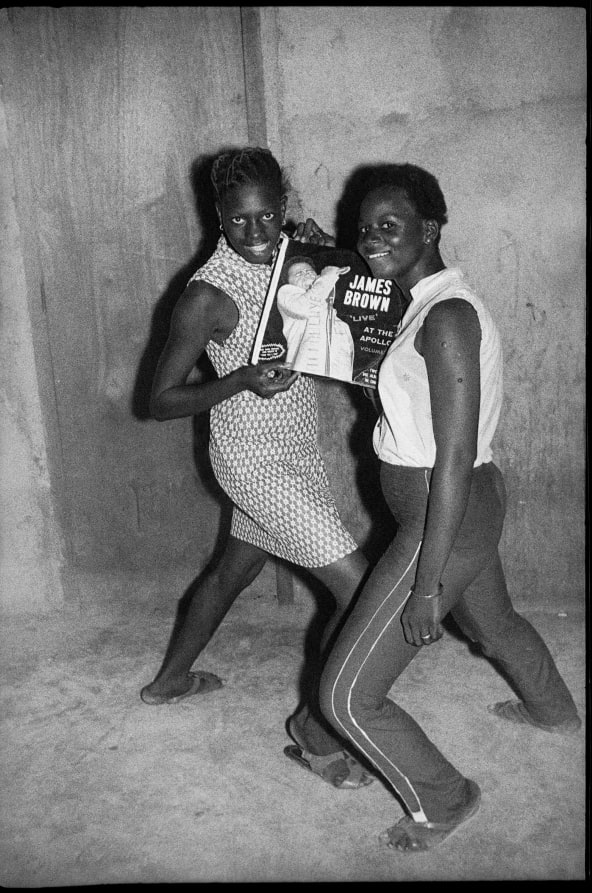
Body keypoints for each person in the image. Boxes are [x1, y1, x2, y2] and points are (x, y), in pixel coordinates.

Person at [311, 163, 581, 852]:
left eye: (390, 225)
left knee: (346, 696)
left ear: (430, 229)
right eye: (365, 228)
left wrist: (427, 586)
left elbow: (452, 458)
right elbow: (419, 416)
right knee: (494, 620)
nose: (372, 239)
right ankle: (554, 710)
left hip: (446, 514)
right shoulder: (422, 306)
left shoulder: (448, 316)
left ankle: (447, 797)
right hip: (462, 509)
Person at [140, 146, 373, 789]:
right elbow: (159, 401)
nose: (255, 232)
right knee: (359, 592)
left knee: (230, 573)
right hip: (251, 461)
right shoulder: (207, 295)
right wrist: (240, 378)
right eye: (239, 219)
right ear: (217, 215)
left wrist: (325, 259)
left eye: (267, 215)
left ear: (283, 207)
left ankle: (169, 682)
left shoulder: (290, 253)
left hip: (298, 447)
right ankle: (315, 731)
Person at [276, 257, 355, 381]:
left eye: (309, 272)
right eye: (298, 274)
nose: (305, 275)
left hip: (335, 377)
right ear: (289, 282)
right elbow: (306, 307)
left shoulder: (332, 315)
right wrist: (328, 277)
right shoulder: (286, 293)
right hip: (306, 374)